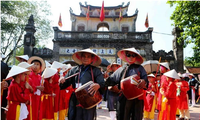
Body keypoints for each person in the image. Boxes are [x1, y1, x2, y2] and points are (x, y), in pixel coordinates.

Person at [59, 48, 105, 120]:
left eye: (88, 57)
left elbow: (102, 83)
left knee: (88, 117)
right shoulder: (74, 70)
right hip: (75, 98)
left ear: (92, 59)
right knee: (74, 116)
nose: (86, 58)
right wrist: (62, 81)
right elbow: (64, 84)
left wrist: (98, 85)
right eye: (84, 56)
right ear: (80, 58)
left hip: (90, 98)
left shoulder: (95, 70)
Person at [106, 47, 148, 120]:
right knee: (122, 116)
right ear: (125, 56)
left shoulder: (140, 68)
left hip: (137, 98)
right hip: (123, 97)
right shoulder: (121, 69)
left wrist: (143, 81)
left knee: (136, 117)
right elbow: (112, 79)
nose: (131, 57)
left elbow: (145, 79)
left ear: (136, 57)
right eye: (128, 55)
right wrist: (106, 78)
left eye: (133, 55)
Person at [28, 56, 46, 120]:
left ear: (40, 67)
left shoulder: (40, 77)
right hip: (31, 97)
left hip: (39, 98)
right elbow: (28, 86)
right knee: (32, 113)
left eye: (37, 64)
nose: (35, 66)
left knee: (38, 113)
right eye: (34, 64)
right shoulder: (29, 75)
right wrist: (36, 87)